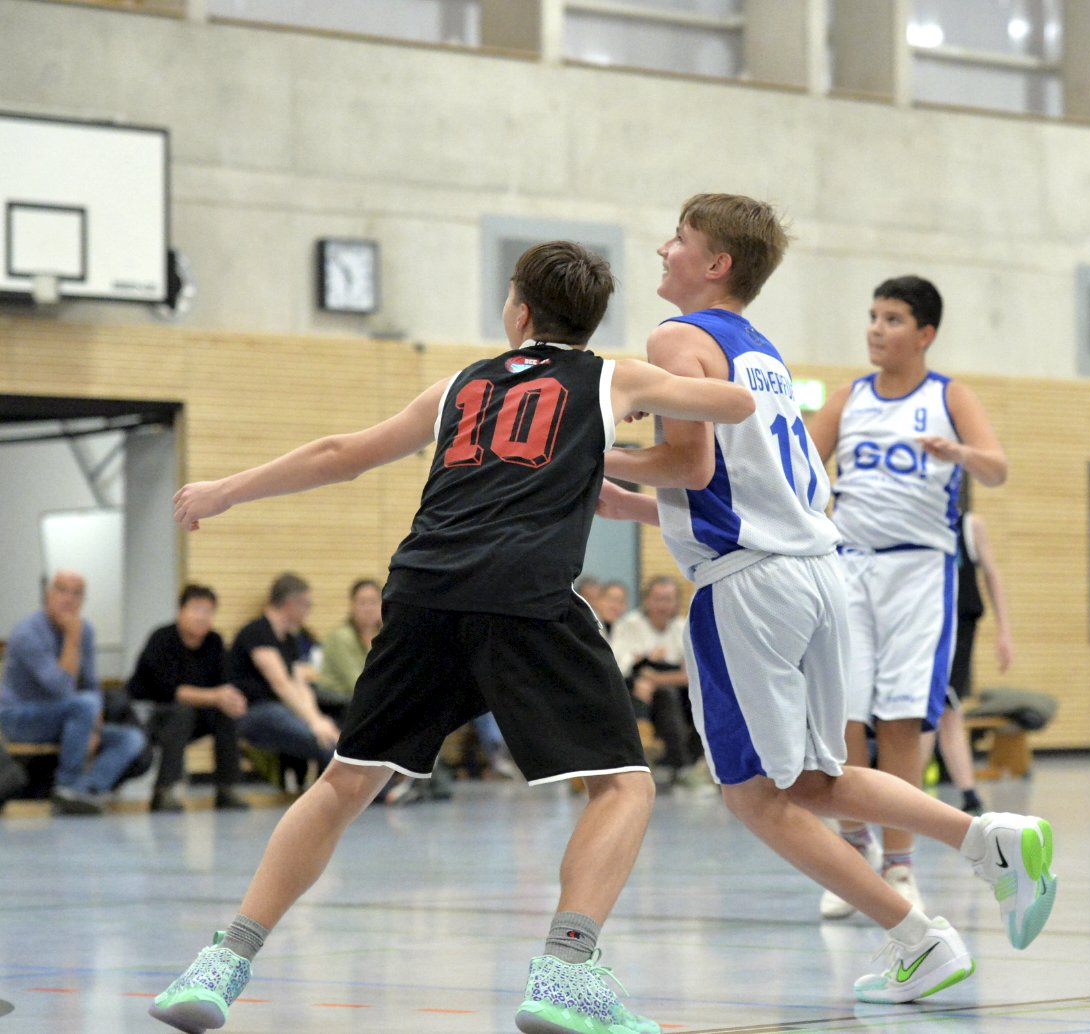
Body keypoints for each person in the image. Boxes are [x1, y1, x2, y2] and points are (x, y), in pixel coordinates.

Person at [148, 239, 755, 1034]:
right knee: (622, 785)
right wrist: (649, 400)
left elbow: (341, 455)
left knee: (344, 782)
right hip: (526, 597)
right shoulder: (613, 377)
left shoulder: (460, 385)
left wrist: (227, 491)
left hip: (422, 593)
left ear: (520, 311)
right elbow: (735, 407)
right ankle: (566, 972)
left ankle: (222, 962)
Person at [599, 193, 1054, 1005]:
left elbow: (689, 466)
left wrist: (590, 456)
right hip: (815, 573)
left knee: (754, 796)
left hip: (750, 588)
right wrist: (633, 502)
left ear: (717, 264)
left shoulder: (675, 337)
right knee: (814, 778)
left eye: (680, 239)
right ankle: (988, 841)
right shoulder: (762, 353)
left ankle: (918, 935)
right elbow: (749, 485)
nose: (664, 249)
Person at [805, 274, 1010, 918]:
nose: (875, 328)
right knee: (844, 715)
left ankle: (899, 864)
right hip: (849, 566)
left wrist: (960, 451)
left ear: (924, 334)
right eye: (873, 315)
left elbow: (997, 468)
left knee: (899, 718)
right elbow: (801, 469)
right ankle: (852, 851)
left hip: (920, 573)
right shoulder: (849, 398)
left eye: (891, 319)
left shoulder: (949, 396)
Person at [0, 570, 147, 816]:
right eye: (62, 590)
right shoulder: (28, 633)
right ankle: (67, 785)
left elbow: (91, 684)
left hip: (66, 717)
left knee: (131, 739)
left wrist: (95, 728)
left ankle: (81, 791)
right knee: (84, 704)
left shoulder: (85, 630)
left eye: (77, 594)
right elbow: (60, 687)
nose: (69, 599)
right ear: (48, 594)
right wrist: (71, 638)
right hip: (18, 718)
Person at [127, 584, 251, 812]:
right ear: (181, 611)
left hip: (194, 715)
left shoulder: (214, 642)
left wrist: (233, 700)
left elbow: (225, 683)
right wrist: (216, 696)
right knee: (182, 710)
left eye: (208, 611)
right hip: (153, 714)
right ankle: (165, 789)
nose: (202, 617)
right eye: (196, 609)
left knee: (226, 712)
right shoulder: (162, 639)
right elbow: (169, 690)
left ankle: (228, 787)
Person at [926, 508, 1014, 815]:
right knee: (930, 710)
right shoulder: (914, 520)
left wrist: (1004, 630)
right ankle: (962, 793)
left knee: (946, 706)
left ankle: (969, 794)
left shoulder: (970, 525)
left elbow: (992, 574)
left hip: (959, 626)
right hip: (921, 624)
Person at [227, 573, 338, 782]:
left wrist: (318, 719)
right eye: (306, 605)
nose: (308, 611)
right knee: (323, 741)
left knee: (330, 734)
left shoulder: (289, 638)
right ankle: (383, 794)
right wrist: (313, 723)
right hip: (253, 712)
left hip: (279, 710)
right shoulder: (256, 632)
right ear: (290, 604)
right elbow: (281, 684)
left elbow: (299, 685)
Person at [609, 575, 704, 789]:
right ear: (646, 600)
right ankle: (677, 763)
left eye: (668, 599)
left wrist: (654, 677)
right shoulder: (629, 625)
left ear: (676, 602)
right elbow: (619, 666)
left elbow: (691, 674)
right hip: (634, 690)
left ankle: (689, 762)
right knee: (661, 695)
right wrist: (648, 668)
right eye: (658, 599)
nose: (663, 605)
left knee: (705, 700)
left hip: (679, 691)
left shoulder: (683, 627)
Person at [314, 578, 382, 717]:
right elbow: (357, 683)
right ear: (352, 606)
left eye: (373, 602)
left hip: (365, 702)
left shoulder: (384, 638)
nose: (368, 608)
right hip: (338, 704)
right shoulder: (341, 637)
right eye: (363, 603)